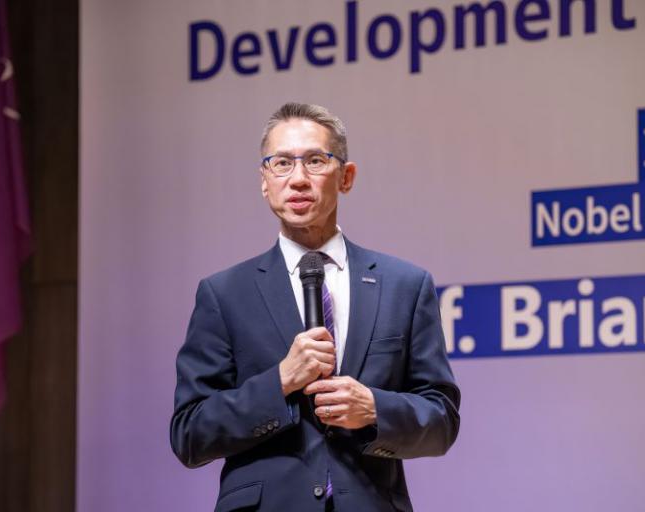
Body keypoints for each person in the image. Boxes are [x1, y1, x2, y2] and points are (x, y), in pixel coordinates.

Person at [170, 103, 460, 512]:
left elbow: (442, 421)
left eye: (315, 161)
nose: (298, 179)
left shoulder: (405, 285)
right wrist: (279, 382)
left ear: (346, 177)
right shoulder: (224, 294)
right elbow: (189, 434)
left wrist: (374, 408)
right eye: (282, 163)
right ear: (264, 181)